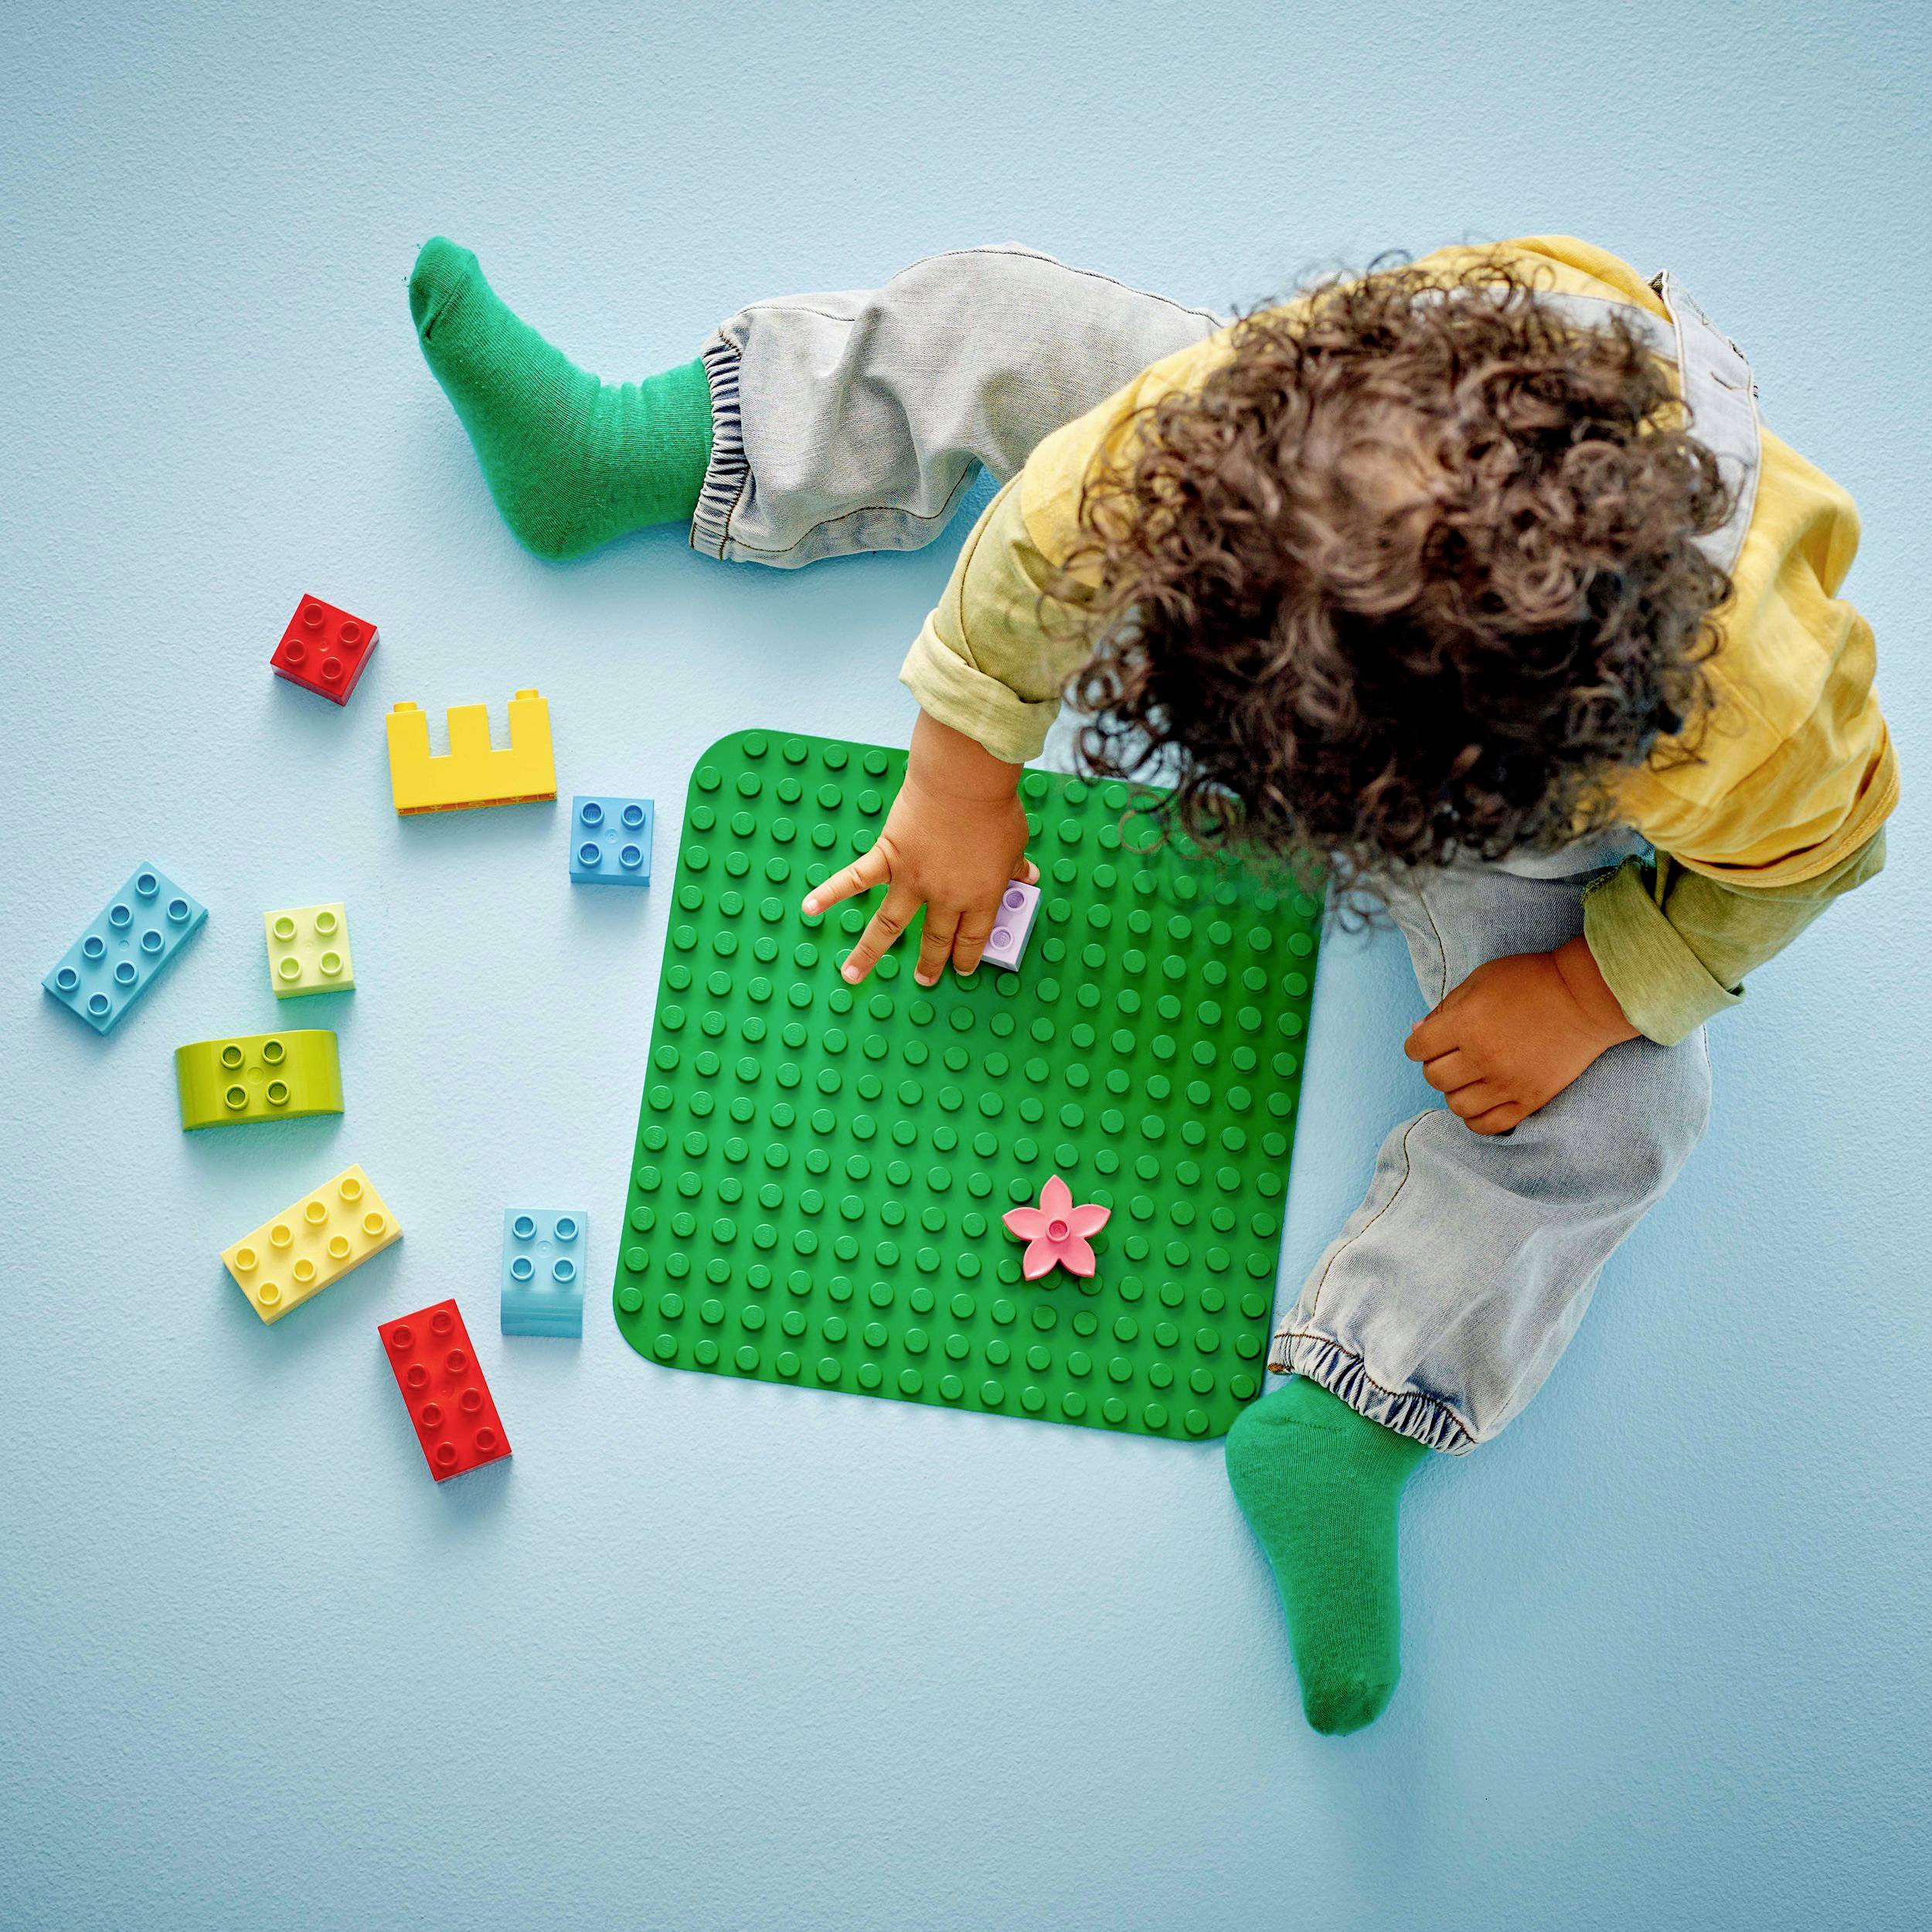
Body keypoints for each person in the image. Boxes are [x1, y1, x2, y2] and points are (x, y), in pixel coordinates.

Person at [406, 235, 1896, 1733]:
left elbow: (1810, 860)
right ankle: (650, 450)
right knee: (1005, 321)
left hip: (1555, 805)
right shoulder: (1247, 426)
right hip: (1326, 539)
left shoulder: (1745, 710)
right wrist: (960, 769)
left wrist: (1593, 984)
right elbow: (1053, 531)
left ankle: (1355, 1406)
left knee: (1626, 1114)